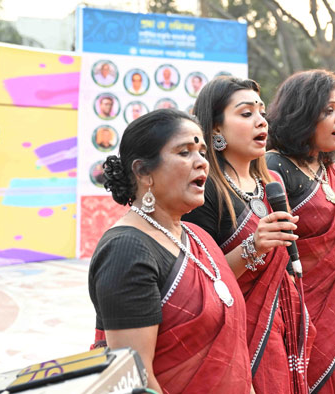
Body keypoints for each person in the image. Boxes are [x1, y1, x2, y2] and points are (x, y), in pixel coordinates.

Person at [87, 109, 251, 393]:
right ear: (143, 172)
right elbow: (135, 379)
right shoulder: (127, 249)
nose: (202, 162)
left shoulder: (198, 237)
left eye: (202, 151)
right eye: (185, 152)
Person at [182, 76, 314, 393]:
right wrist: (253, 246)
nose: (260, 122)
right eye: (245, 114)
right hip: (236, 335)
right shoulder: (205, 191)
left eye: (261, 112)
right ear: (215, 130)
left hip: (283, 328)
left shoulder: (271, 186)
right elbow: (200, 281)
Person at [265, 70, 335, 393]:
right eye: (328, 111)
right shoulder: (275, 166)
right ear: (302, 114)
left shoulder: (332, 171)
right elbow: (270, 256)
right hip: (298, 322)